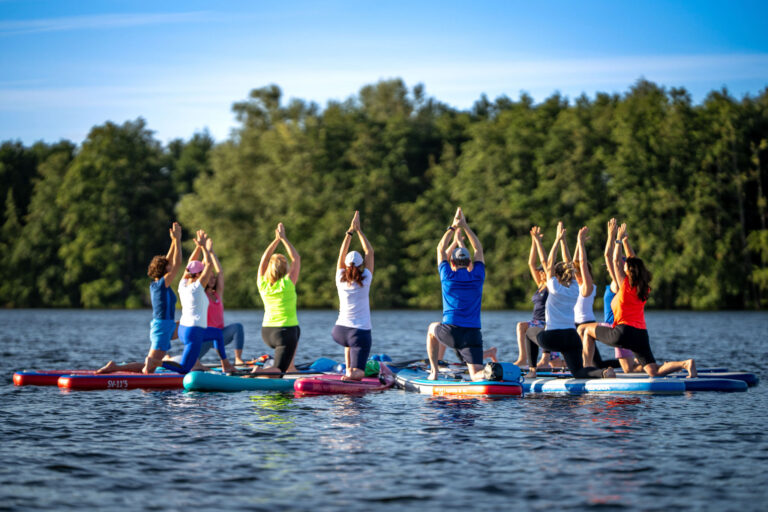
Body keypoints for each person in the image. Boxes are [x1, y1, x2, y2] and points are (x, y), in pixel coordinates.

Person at [581, 223, 697, 378]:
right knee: (653, 371)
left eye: (626, 267)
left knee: (586, 331)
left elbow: (615, 261)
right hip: (641, 335)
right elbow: (634, 261)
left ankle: (586, 370)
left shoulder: (625, 285)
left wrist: (618, 240)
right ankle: (685, 364)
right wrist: (626, 241)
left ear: (628, 271)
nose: (622, 268)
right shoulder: (644, 287)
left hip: (622, 332)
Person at [527, 223, 614, 380]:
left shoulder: (553, 287)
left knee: (528, 332)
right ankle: (603, 372)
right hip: (572, 337)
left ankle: (532, 370)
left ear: (557, 276)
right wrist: (563, 241)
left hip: (553, 338)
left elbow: (548, 264)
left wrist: (557, 240)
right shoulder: (575, 288)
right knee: (579, 372)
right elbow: (568, 263)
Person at [97, 222, 183, 374]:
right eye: (167, 266)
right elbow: (177, 263)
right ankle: (115, 368)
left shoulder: (159, 283)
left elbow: (169, 261)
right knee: (149, 368)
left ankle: (193, 361)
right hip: (163, 328)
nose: (170, 266)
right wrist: (178, 240)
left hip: (167, 325)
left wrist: (173, 241)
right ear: (164, 270)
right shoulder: (162, 284)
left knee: (191, 328)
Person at [152, 230, 234, 374]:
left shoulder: (182, 284)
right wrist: (204, 247)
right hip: (194, 331)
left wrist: (197, 247)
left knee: (217, 334)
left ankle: (225, 364)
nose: (205, 274)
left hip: (184, 329)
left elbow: (189, 265)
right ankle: (157, 362)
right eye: (201, 272)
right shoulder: (197, 287)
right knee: (184, 368)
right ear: (198, 275)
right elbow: (209, 264)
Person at [426, 207, 491, 381]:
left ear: (452, 263)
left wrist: (453, 227)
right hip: (473, 334)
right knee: (476, 374)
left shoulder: (447, 276)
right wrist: (466, 227)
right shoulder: (477, 275)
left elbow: (440, 249)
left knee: (432, 328)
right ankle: (489, 373)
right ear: (469, 262)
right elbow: (479, 249)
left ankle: (434, 371)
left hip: (451, 333)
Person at [580, 218, 641, 371]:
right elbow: (631, 260)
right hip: (626, 327)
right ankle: (659, 367)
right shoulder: (629, 282)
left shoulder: (620, 281)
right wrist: (624, 240)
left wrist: (612, 236)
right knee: (629, 369)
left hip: (615, 327)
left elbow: (608, 256)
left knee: (583, 330)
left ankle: (586, 368)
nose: (608, 268)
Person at [251, 222, 301, 376]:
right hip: (285, 332)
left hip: (267, 332)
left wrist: (276, 240)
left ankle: (291, 367)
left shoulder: (262, 284)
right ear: (285, 269)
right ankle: (258, 371)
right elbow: (296, 258)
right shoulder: (287, 283)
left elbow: (263, 260)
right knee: (279, 371)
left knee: (294, 332)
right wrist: (284, 238)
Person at [191, 236, 247, 366]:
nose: (212, 279)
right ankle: (171, 360)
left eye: (213, 278)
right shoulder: (201, 294)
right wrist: (204, 250)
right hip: (206, 336)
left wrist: (212, 252)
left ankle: (238, 359)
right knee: (192, 360)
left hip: (221, 335)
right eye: (208, 278)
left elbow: (220, 272)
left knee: (238, 327)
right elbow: (204, 270)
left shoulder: (217, 294)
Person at [332, 211, 374, 381]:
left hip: (339, 331)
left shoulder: (339, 277)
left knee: (350, 344)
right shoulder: (366, 279)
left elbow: (341, 254)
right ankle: (351, 373)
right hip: (360, 332)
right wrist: (359, 231)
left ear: (346, 265)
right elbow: (369, 252)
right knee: (360, 373)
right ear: (361, 265)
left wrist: (349, 232)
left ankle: (348, 368)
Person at [513, 229, 551, 368]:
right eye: (540, 271)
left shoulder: (551, 285)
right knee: (521, 326)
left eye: (543, 271)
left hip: (546, 323)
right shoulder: (540, 284)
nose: (540, 273)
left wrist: (539, 241)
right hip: (535, 322)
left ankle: (547, 360)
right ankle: (523, 358)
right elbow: (531, 263)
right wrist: (534, 241)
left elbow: (545, 262)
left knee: (556, 363)